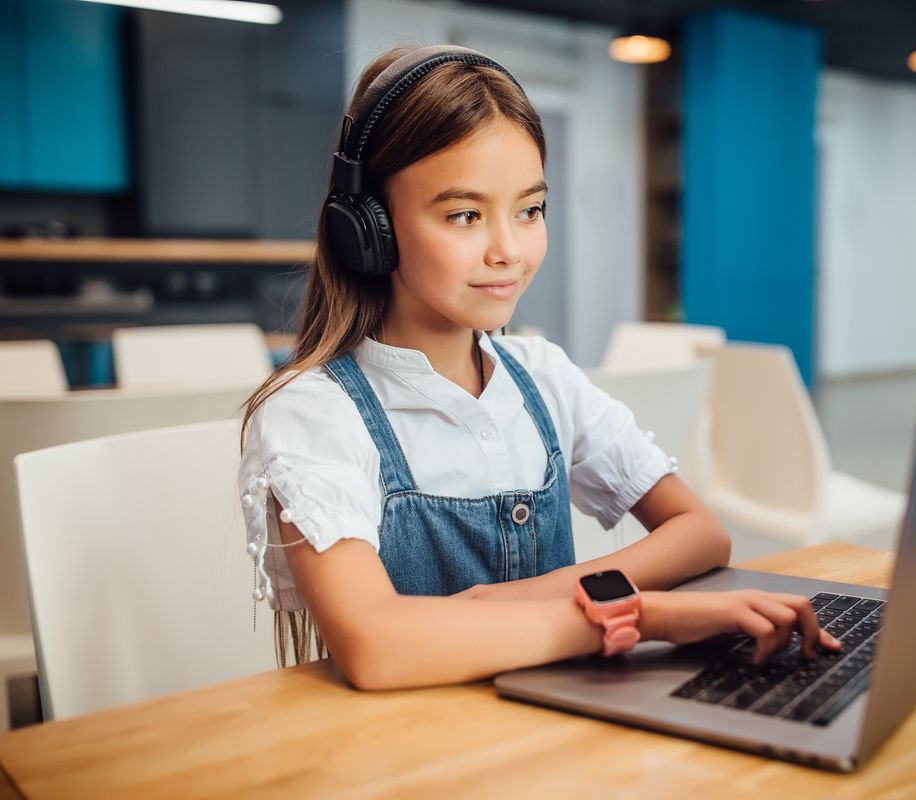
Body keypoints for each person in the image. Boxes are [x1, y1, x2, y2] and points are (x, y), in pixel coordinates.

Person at [238, 44, 840, 691]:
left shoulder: (541, 374)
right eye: (465, 215)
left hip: (558, 727)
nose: (510, 251)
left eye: (529, 210)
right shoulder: (314, 412)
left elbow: (700, 533)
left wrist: (532, 597)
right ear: (370, 228)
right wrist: (635, 615)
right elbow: (377, 645)